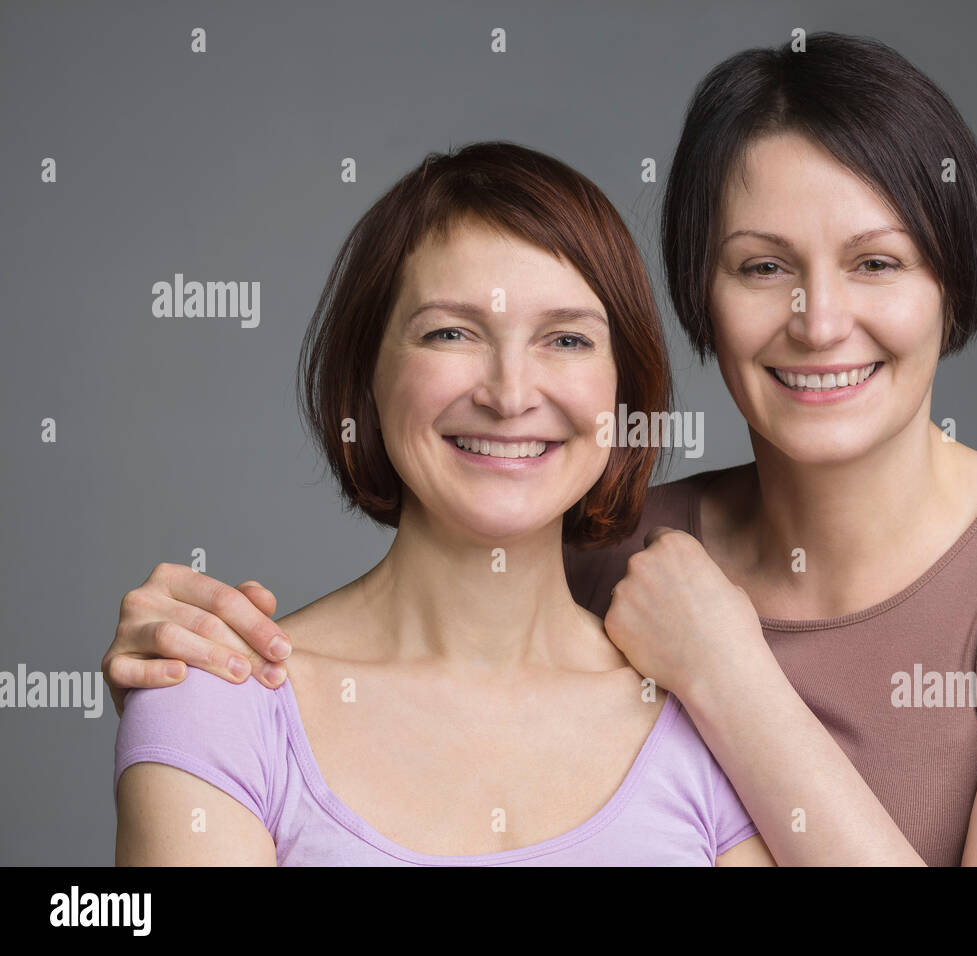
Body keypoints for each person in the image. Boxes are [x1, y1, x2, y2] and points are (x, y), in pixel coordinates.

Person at [106, 34, 977, 866]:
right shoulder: (603, 548)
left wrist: (730, 674)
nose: (817, 319)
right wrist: (192, 666)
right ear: (696, 295)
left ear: (954, 280)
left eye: (876, 262)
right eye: (761, 267)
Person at [114, 141, 775, 866]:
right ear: (366, 375)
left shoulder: (711, 723)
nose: (510, 393)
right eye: (451, 333)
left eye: (566, 339)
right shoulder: (217, 697)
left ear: (624, 393)